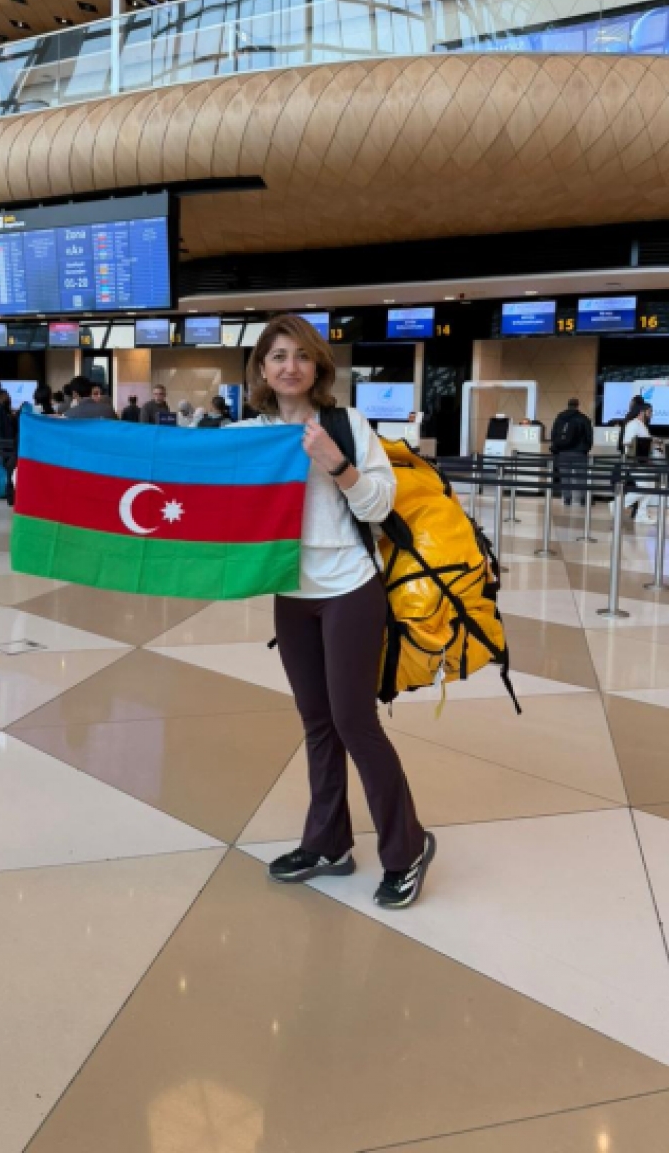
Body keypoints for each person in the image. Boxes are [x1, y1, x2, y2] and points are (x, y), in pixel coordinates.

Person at [226, 315, 435, 911]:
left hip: (349, 588)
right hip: (291, 593)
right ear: (262, 368)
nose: (289, 366)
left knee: (353, 722)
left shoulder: (345, 425)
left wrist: (336, 463)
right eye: (277, 356)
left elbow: (378, 507)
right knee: (317, 722)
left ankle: (407, 848)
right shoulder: (250, 433)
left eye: (301, 355)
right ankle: (328, 843)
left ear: (317, 365)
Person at [617, 398, 657, 524]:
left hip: (643, 461)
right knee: (643, 487)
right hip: (636, 461)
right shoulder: (633, 424)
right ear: (642, 412)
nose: (651, 414)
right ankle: (618, 505)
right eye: (649, 411)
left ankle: (641, 514)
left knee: (650, 486)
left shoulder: (642, 425)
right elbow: (627, 442)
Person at [550, 397, 594, 506]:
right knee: (581, 476)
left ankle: (567, 498)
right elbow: (589, 436)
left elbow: (554, 434)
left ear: (568, 405)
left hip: (563, 452)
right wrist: (585, 449)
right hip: (579, 452)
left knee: (565, 476)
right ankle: (583, 499)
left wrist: (558, 447)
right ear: (577, 405)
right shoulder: (583, 418)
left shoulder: (560, 417)